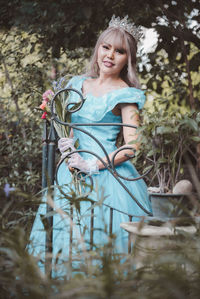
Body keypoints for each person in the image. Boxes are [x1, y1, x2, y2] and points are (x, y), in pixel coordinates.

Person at [29, 15, 152, 277]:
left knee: (99, 237)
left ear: (127, 59)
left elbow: (133, 145)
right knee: (63, 236)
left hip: (110, 178)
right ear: (98, 48)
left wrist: (92, 164)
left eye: (120, 51)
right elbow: (68, 127)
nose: (110, 55)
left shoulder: (126, 95)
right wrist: (66, 142)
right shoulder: (76, 84)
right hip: (69, 172)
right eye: (106, 47)